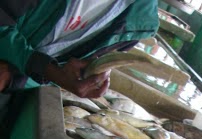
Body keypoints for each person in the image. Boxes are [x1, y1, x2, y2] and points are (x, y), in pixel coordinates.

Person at [0, 0, 159, 99]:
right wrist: (44, 68)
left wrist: (91, 73)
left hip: (15, 94)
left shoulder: (139, 23)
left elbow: (64, 69)